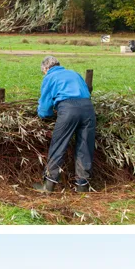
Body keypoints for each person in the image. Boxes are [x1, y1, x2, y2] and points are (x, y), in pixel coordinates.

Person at [33, 55, 96, 194]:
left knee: (58, 145)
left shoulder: (49, 77)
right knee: (85, 146)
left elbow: (44, 106)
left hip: (68, 110)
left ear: (46, 68)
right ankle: (82, 186)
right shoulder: (75, 73)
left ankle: (48, 186)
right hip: (88, 109)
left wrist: (44, 116)